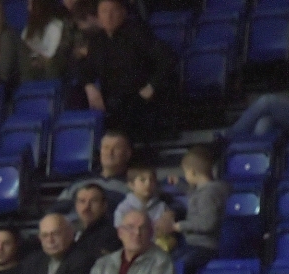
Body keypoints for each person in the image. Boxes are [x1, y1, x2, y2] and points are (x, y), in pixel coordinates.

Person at [78, 0, 175, 142]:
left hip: (138, 97)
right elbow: (86, 69)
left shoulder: (138, 33)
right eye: (104, 12)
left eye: (113, 11)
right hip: (112, 99)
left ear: (123, 13)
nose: (109, 16)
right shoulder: (97, 41)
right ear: (98, 16)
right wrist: (89, 86)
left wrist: (152, 86)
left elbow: (167, 58)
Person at [158, 144, 229, 274]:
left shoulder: (208, 194)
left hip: (203, 247)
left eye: (185, 172)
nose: (185, 175)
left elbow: (207, 223)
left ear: (192, 172)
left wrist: (178, 226)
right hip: (194, 245)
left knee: (175, 267)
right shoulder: (207, 191)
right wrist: (179, 184)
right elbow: (195, 197)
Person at [55, 130, 133, 213]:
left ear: (127, 154)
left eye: (116, 148)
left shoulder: (134, 185)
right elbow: (57, 208)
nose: (110, 152)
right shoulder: (82, 180)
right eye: (106, 148)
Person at [113, 165, 173, 252]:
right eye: (142, 180)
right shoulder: (123, 209)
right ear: (131, 185)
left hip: (157, 250)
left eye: (152, 180)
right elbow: (121, 233)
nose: (148, 184)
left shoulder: (162, 206)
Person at [69, 182, 122, 262]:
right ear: (76, 205)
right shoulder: (69, 230)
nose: (86, 207)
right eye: (82, 201)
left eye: (93, 201)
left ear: (104, 205)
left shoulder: (111, 236)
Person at [18, 0, 71, 81]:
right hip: (29, 67)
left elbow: (52, 56)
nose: (28, 8)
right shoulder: (30, 28)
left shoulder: (55, 26)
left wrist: (38, 58)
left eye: (31, 4)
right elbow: (23, 47)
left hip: (48, 70)